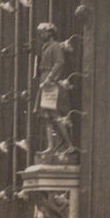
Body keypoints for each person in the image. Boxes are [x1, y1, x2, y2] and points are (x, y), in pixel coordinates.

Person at [34, 23, 75, 162]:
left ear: (50, 33)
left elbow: (59, 62)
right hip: (44, 80)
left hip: (50, 83)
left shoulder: (55, 46)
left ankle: (68, 145)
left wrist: (50, 78)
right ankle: (51, 146)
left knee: (54, 113)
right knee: (46, 115)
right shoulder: (45, 47)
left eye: (43, 33)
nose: (41, 36)